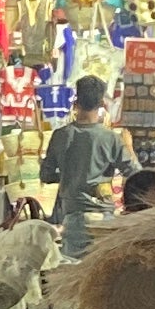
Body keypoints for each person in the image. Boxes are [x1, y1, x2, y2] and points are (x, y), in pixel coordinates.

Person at [40, 75, 136, 257]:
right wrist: (129, 147)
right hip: (104, 220)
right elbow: (134, 173)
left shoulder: (60, 136)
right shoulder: (111, 139)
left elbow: (46, 175)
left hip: (74, 217)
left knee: (73, 275)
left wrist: (71, 175)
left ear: (76, 101)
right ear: (101, 104)